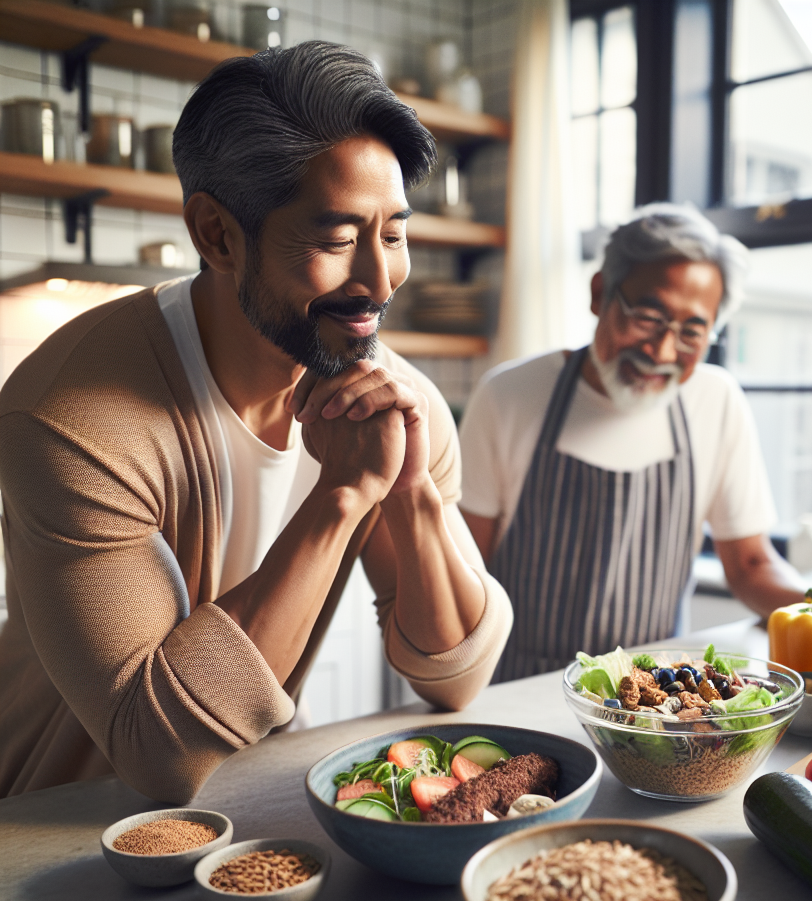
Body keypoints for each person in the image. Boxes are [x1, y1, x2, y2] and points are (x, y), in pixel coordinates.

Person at [0, 42, 512, 802]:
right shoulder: (72, 420)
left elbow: (456, 677)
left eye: (394, 234)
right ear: (217, 234)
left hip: (247, 813)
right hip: (46, 826)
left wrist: (409, 493)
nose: (380, 281)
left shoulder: (398, 401)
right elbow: (157, 751)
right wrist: (343, 496)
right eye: (337, 240)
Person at [458, 203, 812, 682]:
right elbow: (465, 570)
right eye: (647, 317)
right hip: (520, 686)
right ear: (599, 293)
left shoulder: (714, 400)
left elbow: (750, 564)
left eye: (691, 332)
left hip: (657, 698)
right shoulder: (509, 395)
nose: (661, 351)